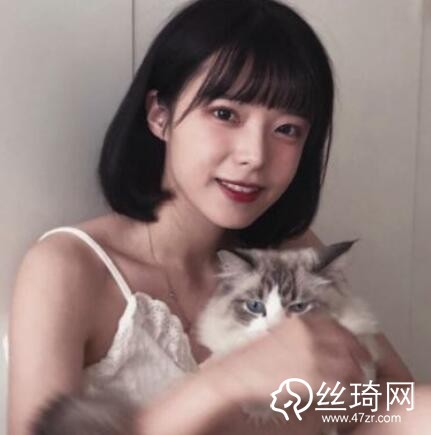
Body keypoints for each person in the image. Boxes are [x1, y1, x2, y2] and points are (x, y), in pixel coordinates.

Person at [7, 0, 414, 434]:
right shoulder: (70, 269)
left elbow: (395, 403)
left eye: (287, 129)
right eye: (225, 114)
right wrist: (225, 383)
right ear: (159, 115)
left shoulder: (291, 255)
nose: (255, 156)